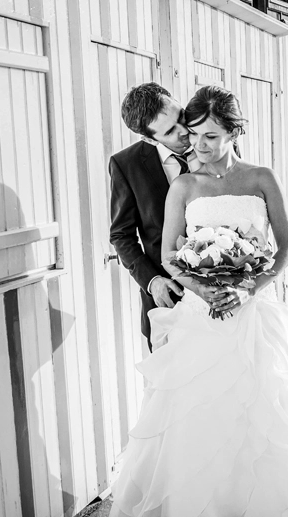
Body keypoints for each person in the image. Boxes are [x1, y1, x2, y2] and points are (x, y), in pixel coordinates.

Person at [63, 85, 288, 517]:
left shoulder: (260, 177)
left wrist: (247, 287)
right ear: (154, 135)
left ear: (233, 130)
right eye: (184, 134)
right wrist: (197, 287)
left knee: (258, 414)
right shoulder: (170, 180)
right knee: (197, 419)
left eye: (205, 133)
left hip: (253, 312)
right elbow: (165, 251)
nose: (194, 142)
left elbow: (287, 247)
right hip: (192, 308)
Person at [108, 83, 231, 351]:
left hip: (224, 293)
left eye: (181, 117)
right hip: (170, 298)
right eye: (170, 131)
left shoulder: (214, 144)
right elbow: (121, 234)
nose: (185, 131)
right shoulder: (126, 165)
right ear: (150, 139)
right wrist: (152, 282)